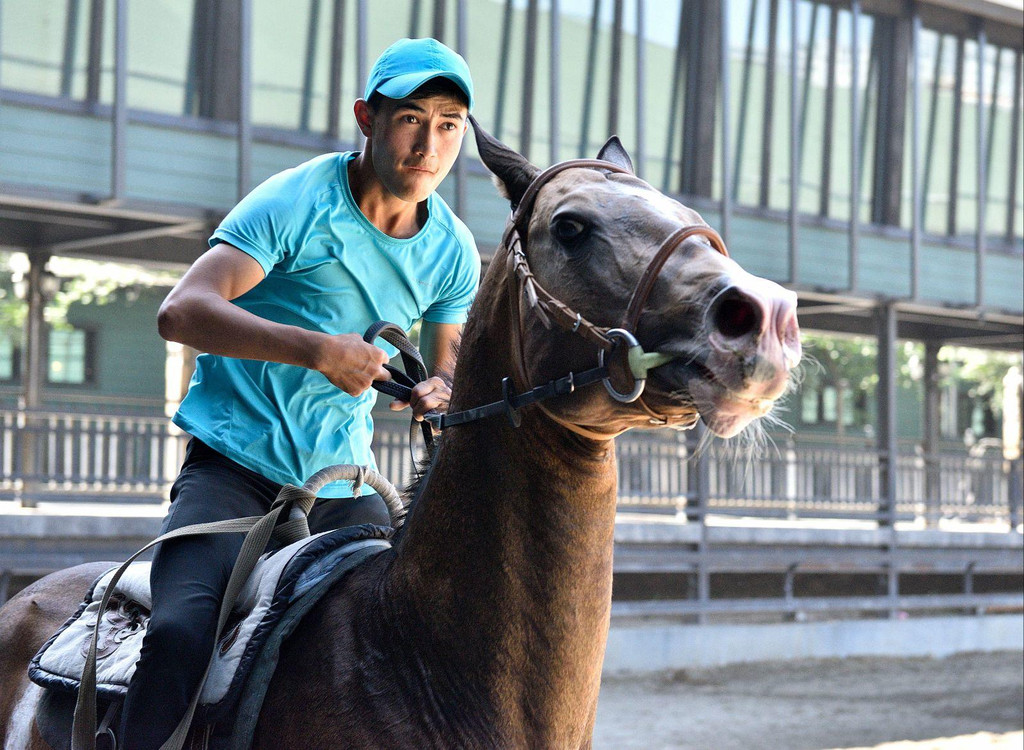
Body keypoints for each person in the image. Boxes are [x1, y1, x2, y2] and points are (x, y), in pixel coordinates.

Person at [120, 37, 480, 748]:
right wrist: (315, 350)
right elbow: (181, 311)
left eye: (448, 126)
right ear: (367, 119)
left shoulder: (455, 251)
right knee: (179, 632)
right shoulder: (295, 201)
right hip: (232, 472)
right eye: (411, 118)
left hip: (343, 484)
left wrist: (436, 392)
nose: (428, 144)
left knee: (414, 632)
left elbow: (446, 370)